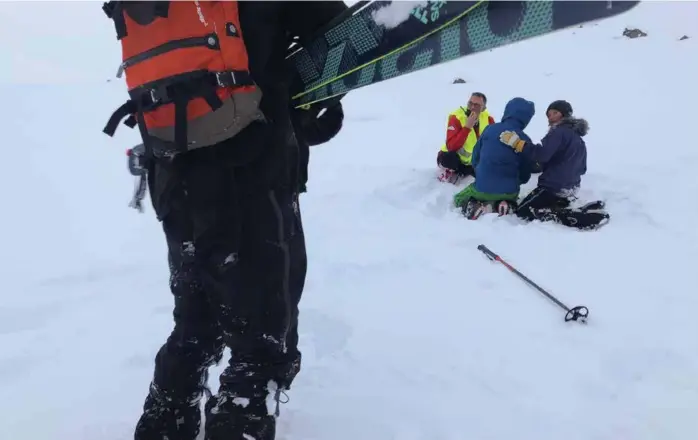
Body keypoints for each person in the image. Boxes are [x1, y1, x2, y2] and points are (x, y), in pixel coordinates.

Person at [101, 2, 348, 440]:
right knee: (261, 333)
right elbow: (338, 36)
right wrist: (313, 113)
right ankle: (242, 415)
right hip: (253, 169)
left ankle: (168, 413)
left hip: (172, 165)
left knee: (196, 310)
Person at [499, 100, 610, 230]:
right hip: (570, 188)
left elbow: (542, 154)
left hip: (552, 187)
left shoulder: (558, 132)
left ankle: (570, 217)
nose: (550, 117)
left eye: (555, 113)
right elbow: (582, 168)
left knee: (523, 212)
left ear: (565, 114)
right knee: (545, 204)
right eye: (548, 114)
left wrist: (518, 143)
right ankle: (572, 208)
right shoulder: (578, 140)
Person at [453, 97, 536, 219]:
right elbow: (525, 171)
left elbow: (475, 156)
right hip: (510, 191)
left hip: (482, 187)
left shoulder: (490, 129)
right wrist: (517, 181)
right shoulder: (525, 140)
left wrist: (480, 172)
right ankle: (506, 204)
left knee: (458, 198)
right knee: (509, 195)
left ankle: (475, 205)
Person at [437, 92, 495, 183]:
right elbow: (451, 146)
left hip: (470, 163)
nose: (472, 107)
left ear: (483, 108)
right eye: (470, 103)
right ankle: (446, 173)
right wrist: (467, 128)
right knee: (449, 158)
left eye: (476, 105)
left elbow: (494, 141)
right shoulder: (456, 117)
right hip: (450, 158)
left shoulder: (488, 119)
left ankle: (462, 173)